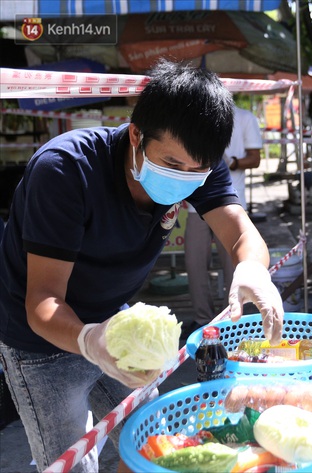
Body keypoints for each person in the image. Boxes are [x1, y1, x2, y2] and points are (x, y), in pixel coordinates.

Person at [0, 60, 283, 473]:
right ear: (136, 134)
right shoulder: (64, 171)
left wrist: (253, 270)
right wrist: (88, 341)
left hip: (114, 322)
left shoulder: (198, 159)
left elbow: (242, 235)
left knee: (156, 446)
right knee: (70, 465)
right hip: (40, 343)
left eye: (196, 171)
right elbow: (42, 302)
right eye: (171, 164)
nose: (184, 179)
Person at [184, 105, 263, 332]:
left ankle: (234, 320)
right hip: (196, 202)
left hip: (231, 201)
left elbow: (255, 158)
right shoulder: (192, 115)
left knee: (236, 265)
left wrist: (233, 163)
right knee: (194, 263)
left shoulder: (244, 117)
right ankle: (203, 320)